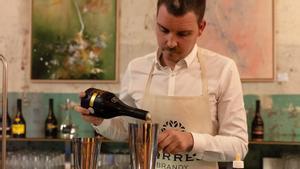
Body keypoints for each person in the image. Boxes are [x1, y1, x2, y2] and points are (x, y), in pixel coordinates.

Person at [75, 0, 248, 168]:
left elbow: (238, 145)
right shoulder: (136, 69)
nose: (170, 42)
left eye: (183, 34)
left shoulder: (223, 69)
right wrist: (99, 121)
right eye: (163, 30)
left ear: (201, 28)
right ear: (156, 20)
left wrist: (193, 141)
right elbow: (126, 130)